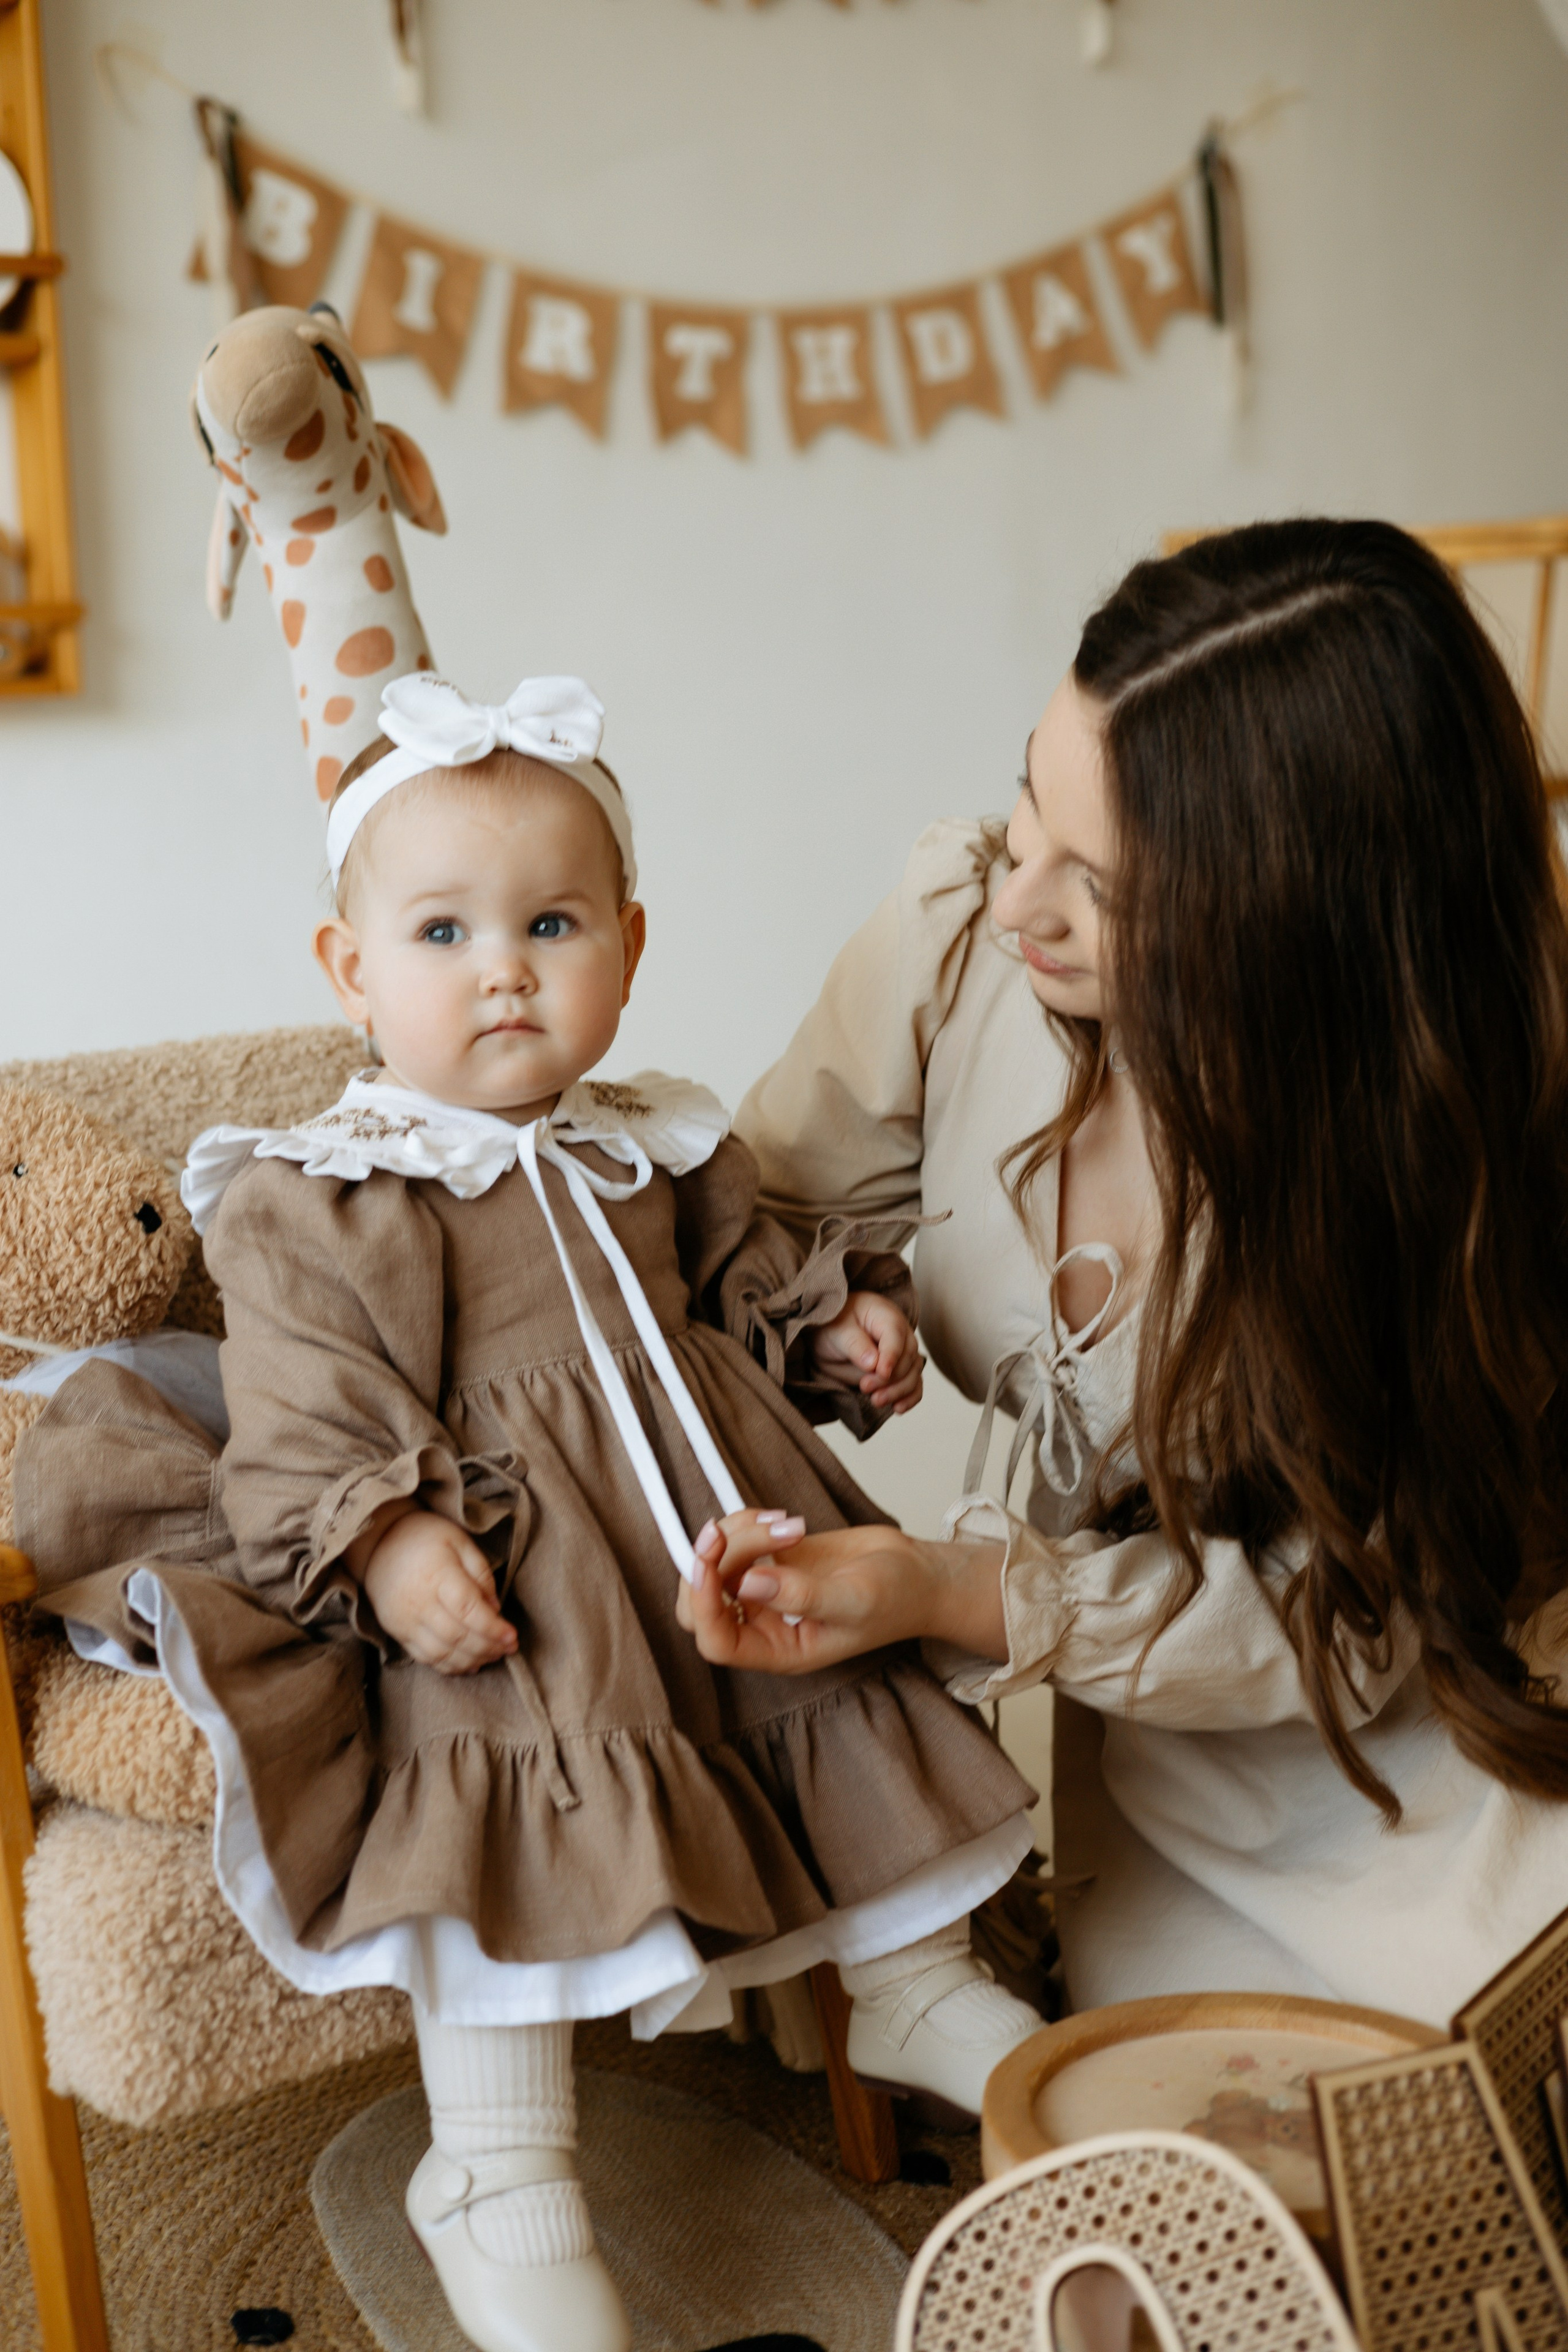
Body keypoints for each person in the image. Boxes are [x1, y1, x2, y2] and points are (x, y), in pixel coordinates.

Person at [27, 675, 1040, 2352]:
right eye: (442, 932)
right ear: (351, 974)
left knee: (840, 1710)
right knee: (494, 1802)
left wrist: (836, 1327)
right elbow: (311, 1401)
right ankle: (501, 2165)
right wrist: (387, 1537)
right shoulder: (330, 1192)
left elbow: (747, 1272)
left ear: (628, 951)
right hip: (521, 1597)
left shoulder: (659, 1147)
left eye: (552, 922)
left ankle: (916, 1982)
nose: (503, 966)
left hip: (729, 1540)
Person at [684, 518, 1568, 2034]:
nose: (1023, 899)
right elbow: (732, 1230)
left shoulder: (1426, 1156)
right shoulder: (962, 955)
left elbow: (1342, 1637)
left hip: (1449, 1757)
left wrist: (960, 1591)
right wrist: (827, 1316)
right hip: (1167, 1806)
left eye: (1102, 890)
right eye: (1030, 803)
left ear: (1292, 939)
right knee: (1187, 2180)